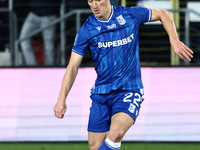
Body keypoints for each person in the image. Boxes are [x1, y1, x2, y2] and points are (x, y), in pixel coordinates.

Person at [54, 0, 193, 150]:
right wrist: (61, 99)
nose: (94, 5)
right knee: (95, 147)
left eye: (98, 0)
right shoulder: (87, 30)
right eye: (90, 1)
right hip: (101, 95)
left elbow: (163, 14)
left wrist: (174, 40)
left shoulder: (129, 15)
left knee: (116, 133)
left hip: (129, 90)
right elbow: (72, 67)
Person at [19, 0, 59, 66]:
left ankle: (49, 71)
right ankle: (32, 68)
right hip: (34, 13)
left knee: (49, 46)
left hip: (49, 14)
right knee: (23, 39)